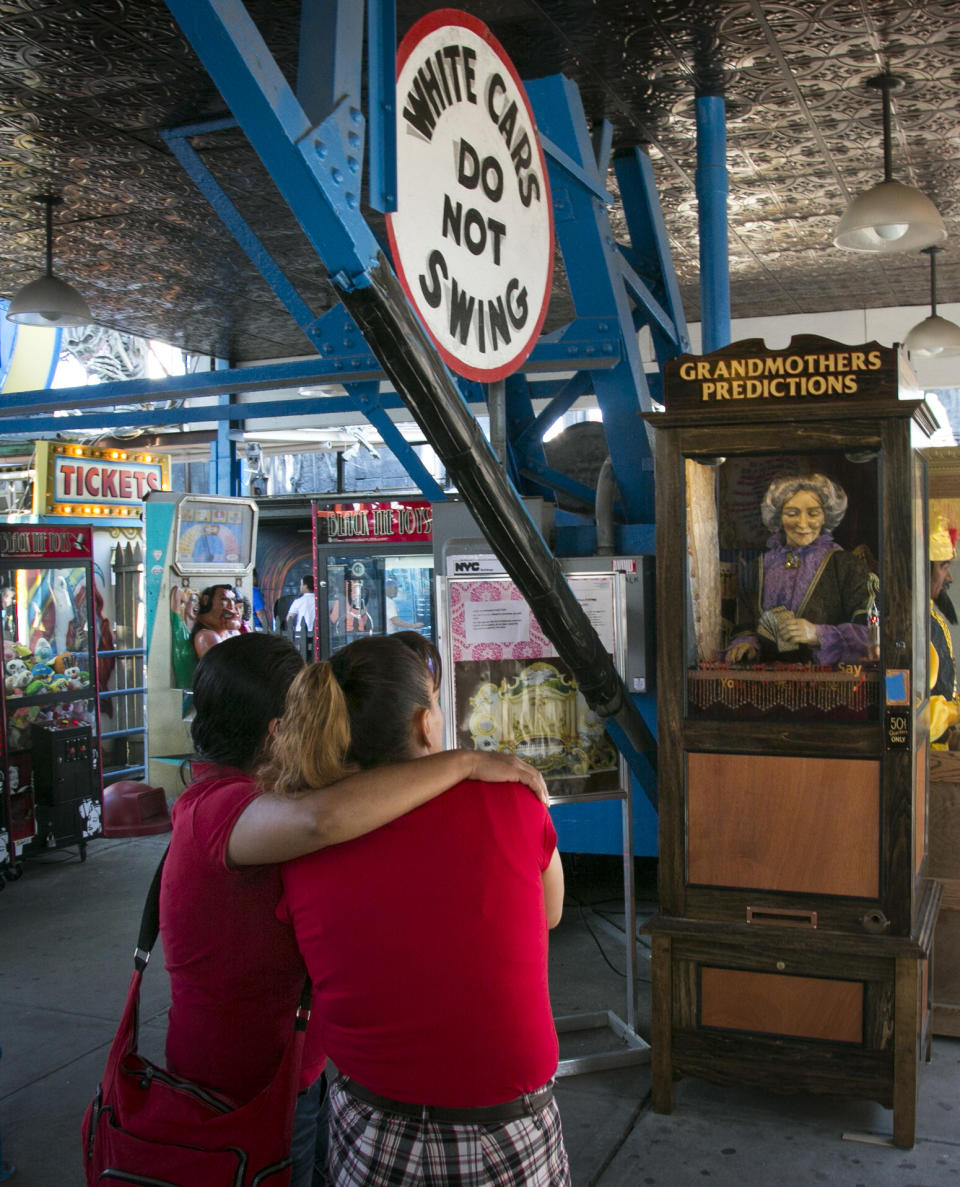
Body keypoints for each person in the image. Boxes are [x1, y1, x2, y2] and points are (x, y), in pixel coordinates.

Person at [159, 632, 548, 1187]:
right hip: (241, 1086)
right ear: (278, 732)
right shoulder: (220, 808)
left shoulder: (253, 801)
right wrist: (464, 763)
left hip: (302, 1073)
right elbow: (322, 821)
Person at [272, 633, 570, 1186]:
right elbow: (552, 912)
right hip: (506, 1132)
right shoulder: (509, 797)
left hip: (370, 1128)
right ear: (424, 724)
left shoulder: (296, 831)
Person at [723, 473, 873, 665]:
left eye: (813, 513)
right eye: (792, 513)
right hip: (765, 685)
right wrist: (747, 643)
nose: (802, 523)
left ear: (825, 516)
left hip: (831, 686)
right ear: (778, 516)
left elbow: (872, 632)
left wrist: (818, 634)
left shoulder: (847, 566)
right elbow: (744, 625)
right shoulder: (755, 569)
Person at [929, 515, 960, 747]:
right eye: (943, 566)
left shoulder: (930, 618)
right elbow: (908, 708)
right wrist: (954, 712)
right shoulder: (903, 625)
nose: (948, 577)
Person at [190, 583, 242, 658]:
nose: (231, 605)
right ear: (206, 600)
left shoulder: (233, 633)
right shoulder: (206, 636)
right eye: (224, 599)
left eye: (232, 600)